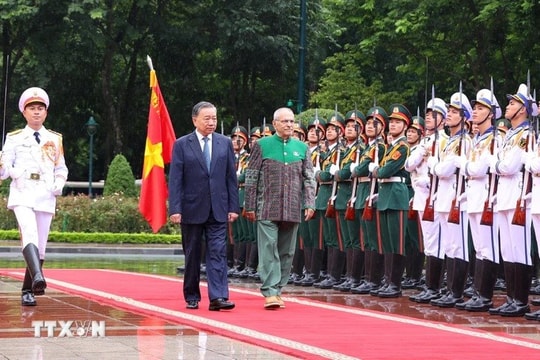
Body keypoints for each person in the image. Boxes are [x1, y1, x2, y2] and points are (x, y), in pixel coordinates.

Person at [0, 87, 68, 306]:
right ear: (24, 112)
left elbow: (61, 168)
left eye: (40, 108)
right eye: (32, 109)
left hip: (45, 193)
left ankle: (28, 289)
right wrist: (2, 163)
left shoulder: (55, 139)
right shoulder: (14, 138)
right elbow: (3, 172)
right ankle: (39, 276)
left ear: (46, 112)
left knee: (41, 243)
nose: (36, 112)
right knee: (28, 232)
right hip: (22, 191)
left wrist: (59, 183)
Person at [168, 101, 239, 311]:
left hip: (218, 208)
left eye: (214, 118)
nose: (211, 122)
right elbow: (176, 180)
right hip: (191, 208)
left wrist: (233, 206)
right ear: (195, 120)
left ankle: (218, 297)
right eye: (207, 118)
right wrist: (175, 209)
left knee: (217, 251)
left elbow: (230, 178)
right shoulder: (182, 144)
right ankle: (191, 294)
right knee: (192, 253)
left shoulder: (224, 143)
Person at [244, 107, 316, 309]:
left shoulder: (302, 148)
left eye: (292, 121)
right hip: (267, 206)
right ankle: (270, 291)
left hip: (292, 207)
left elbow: (309, 178)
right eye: (285, 121)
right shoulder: (262, 145)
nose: (289, 125)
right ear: (274, 124)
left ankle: (279, 288)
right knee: (268, 249)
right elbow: (251, 177)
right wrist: (249, 205)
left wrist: (310, 202)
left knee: (287, 252)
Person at [488, 84, 536, 317]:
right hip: (505, 197)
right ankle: (511, 297)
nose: (508, 107)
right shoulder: (511, 135)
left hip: (518, 196)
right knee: (508, 250)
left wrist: (495, 166)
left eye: (513, 103)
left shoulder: (525, 135)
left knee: (520, 250)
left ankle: (521, 299)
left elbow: (508, 166)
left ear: (523, 109)